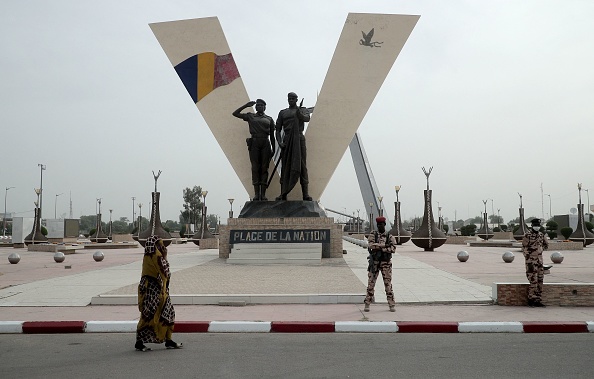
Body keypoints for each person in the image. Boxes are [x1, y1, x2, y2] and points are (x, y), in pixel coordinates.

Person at [135, 235, 182, 351]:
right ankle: (141, 342)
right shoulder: (156, 256)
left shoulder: (148, 256)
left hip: (154, 290)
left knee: (164, 313)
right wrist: (165, 257)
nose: (162, 247)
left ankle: (167, 340)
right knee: (151, 315)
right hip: (154, 290)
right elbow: (165, 273)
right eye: (160, 244)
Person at [233, 99, 275, 201]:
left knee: (264, 168)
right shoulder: (250, 116)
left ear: (265, 107)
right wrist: (246, 105)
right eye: (258, 105)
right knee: (255, 168)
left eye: (262, 105)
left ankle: (263, 194)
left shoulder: (269, 119)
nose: (260, 107)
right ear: (256, 107)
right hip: (255, 142)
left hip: (265, 142)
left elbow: (272, 136)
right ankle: (257, 194)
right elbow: (235, 113)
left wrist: (273, 149)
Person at [275, 92, 312, 201]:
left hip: (299, 139)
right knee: (285, 167)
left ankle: (305, 194)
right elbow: (277, 130)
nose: (290, 100)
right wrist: (280, 142)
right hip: (287, 141)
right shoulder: (283, 113)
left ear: (296, 99)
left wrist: (298, 114)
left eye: (292, 98)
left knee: (302, 166)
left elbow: (306, 118)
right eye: (289, 98)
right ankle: (283, 193)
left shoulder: (302, 109)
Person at [364, 216, 397, 312]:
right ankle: (367, 303)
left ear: (384, 225)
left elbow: (393, 249)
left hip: (386, 263)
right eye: (378, 225)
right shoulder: (373, 234)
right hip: (374, 263)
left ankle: (391, 304)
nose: (380, 227)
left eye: (381, 225)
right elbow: (371, 245)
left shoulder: (389, 236)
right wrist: (385, 246)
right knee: (371, 284)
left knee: (388, 285)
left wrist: (379, 247)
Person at [522, 218, 549, 307]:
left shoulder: (541, 235)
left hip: (539, 262)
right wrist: (529, 257)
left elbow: (546, 245)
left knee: (540, 280)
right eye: (535, 225)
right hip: (531, 262)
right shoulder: (528, 235)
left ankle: (538, 300)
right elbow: (524, 248)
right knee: (533, 281)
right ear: (532, 226)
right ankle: (531, 299)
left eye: (538, 225)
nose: (537, 227)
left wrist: (540, 251)